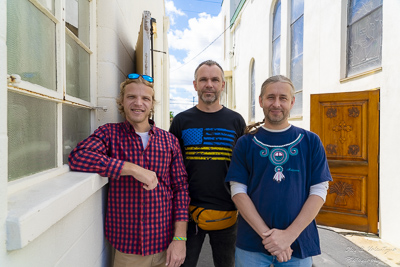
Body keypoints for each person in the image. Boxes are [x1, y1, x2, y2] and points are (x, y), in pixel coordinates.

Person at [68, 73, 190, 267]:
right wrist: (131, 169)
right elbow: (78, 157)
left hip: (165, 245)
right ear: (122, 101)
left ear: (152, 104)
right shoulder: (109, 133)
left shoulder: (169, 141)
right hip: (128, 249)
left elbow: (181, 190)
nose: (138, 103)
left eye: (145, 98)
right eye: (131, 97)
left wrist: (180, 239)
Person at [225, 75, 332, 267]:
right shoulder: (245, 143)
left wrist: (288, 236)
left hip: (298, 243)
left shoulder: (310, 141)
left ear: (292, 102)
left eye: (283, 98)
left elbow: (319, 191)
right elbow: (238, 191)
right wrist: (271, 238)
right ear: (260, 101)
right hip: (252, 243)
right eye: (270, 97)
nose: (276, 104)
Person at [169, 60, 246, 267]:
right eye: (203, 79)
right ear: (195, 85)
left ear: (222, 85)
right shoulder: (181, 121)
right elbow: (171, 166)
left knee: (227, 264)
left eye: (214, 80)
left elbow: (243, 166)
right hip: (188, 213)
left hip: (228, 210)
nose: (209, 84)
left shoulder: (236, 121)